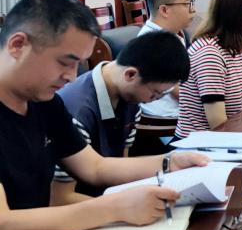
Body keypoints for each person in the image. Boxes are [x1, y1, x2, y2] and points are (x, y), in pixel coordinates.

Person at [0, 0, 207, 230]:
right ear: (18, 45)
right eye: (65, 62)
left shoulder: (44, 103)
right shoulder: (57, 100)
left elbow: (94, 167)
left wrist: (169, 162)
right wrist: (113, 208)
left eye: (78, 64)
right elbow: (3, 225)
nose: (71, 76)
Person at [53, 31, 190, 203]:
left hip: (107, 197)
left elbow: (121, 165)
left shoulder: (131, 99)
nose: (154, 100)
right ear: (130, 75)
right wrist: (123, 207)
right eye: (155, 93)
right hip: (84, 207)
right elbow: (59, 198)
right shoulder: (76, 112)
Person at [176, 0, 242, 138]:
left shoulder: (230, 48)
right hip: (201, 146)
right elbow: (219, 126)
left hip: (227, 138)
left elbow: (240, 107)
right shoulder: (210, 54)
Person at [137, 0, 194, 118]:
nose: (192, 10)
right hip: (166, 122)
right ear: (164, 10)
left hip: (182, 115)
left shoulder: (171, 35)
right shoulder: (153, 42)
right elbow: (178, 91)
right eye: (187, 4)